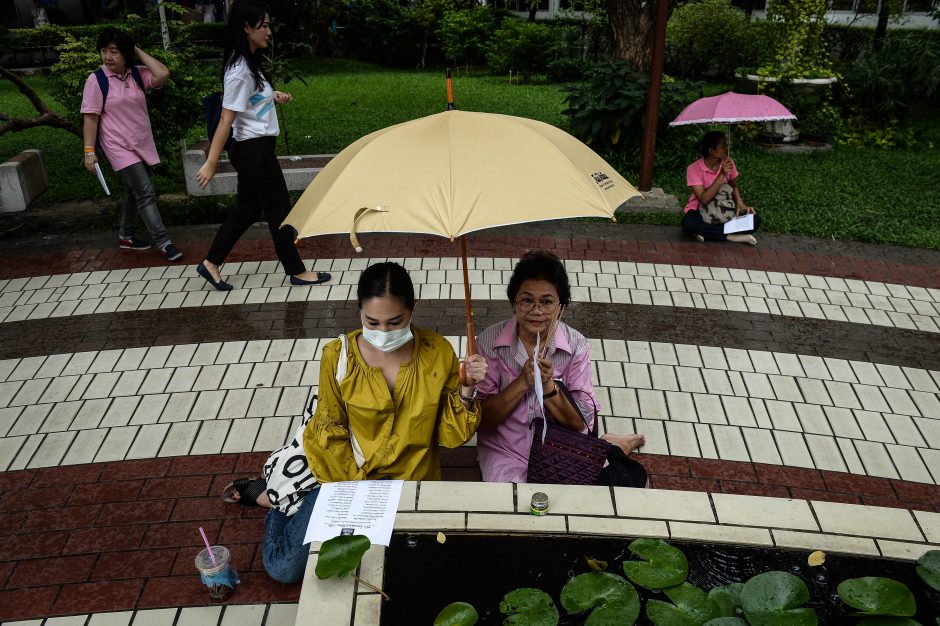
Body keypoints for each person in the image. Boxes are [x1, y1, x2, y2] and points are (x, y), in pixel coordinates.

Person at [222, 262, 488, 583]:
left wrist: (467, 389)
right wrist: (359, 493)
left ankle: (287, 498)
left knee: (404, 566)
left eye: (395, 322)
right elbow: (329, 431)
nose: (384, 333)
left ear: (413, 309)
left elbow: (449, 435)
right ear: (358, 310)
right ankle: (274, 502)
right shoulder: (337, 356)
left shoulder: (438, 352)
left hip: (412, 478)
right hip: (345, 476)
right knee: (284, 568)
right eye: (372, 322)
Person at [475, 250, 645, 485]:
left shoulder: (576, 346)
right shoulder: (488, 342)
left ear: (561, 306)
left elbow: (581, 424)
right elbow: (482, 420)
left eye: (546, 302)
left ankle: (612, 445)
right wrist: (522, 382)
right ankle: (611, 444)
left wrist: (548, 386)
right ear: (514, 302)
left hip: (561, 447)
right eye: (527, 300)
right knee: (511, 509)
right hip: (506, 451)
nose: (536, 311)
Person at [194, 1, 330, 291]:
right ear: (246, 27)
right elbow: (225, 120)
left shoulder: (249, 63)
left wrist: (272, 96)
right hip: (254, 151)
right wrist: (211, 161)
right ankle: (297, 270)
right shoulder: (239, 71)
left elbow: (248, 103)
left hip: (257, 148)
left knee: (247, 209)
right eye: (264, 25)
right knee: (280, 210)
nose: (269, 31)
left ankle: (211, 262)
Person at [81, 28, 183, 262]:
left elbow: (163, 73)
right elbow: (91, 117)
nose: (108, 56)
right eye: (104, 51)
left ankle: (126, 235)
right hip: (118, 147)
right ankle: (164, 241)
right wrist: (89, 151)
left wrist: (134, 49)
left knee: (133, 190)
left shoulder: (137, 74)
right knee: (145, 192)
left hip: (141, 144)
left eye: (114, 51)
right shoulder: (96, 80)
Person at [682, 131, 761, 246]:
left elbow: (733, 185)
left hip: (724, 210)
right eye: (723, 145)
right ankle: (731, 237)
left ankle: (706, 233)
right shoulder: (694, 169)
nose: (726, 148)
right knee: (688, 223)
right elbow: (704, 199)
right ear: (711, 151)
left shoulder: (728, 162)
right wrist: (722, 175)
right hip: (700, 210)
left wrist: (739, 202)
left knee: (755, 220)